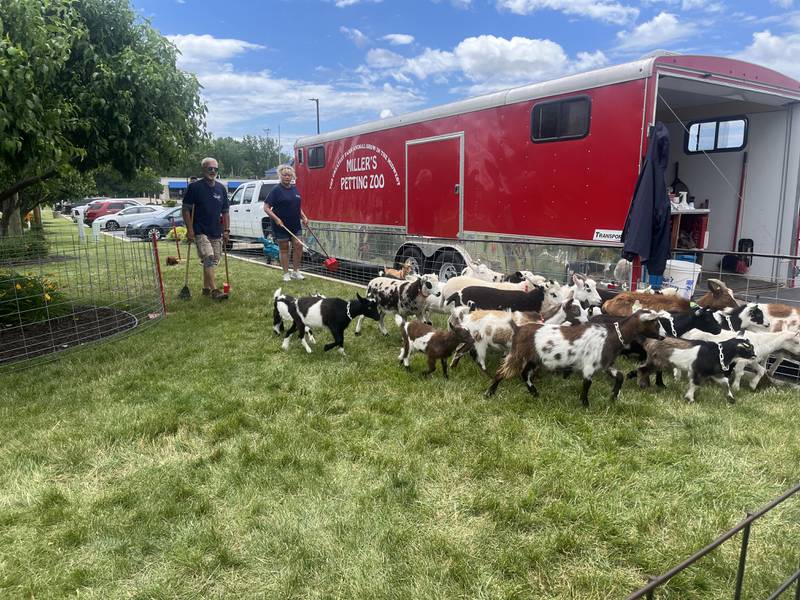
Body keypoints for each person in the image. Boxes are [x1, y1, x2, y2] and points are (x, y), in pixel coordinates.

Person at [182, 157, 230, 300]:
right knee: (207, 257)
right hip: (200, 229)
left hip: (216, 230)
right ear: (203, 170)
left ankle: (206, 288)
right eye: (210, 168)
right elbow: (185, 210)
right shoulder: (195, 187)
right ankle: (215, 291)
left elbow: (226, 211)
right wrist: (190, 230)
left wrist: (226, 230)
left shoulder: (221, 188)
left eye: (215, 169)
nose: (213, 171)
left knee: (213, 260)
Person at [263, 164, 309, 282]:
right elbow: (266, 207)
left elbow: (296, 206)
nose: (287, 177)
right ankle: (285, 273)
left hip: (295, 224)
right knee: (284, 249)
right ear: (280, 176)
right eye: (284, 175)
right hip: (281, 225)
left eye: (289, 175)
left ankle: (296, 272)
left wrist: (303, 216)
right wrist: (276, 219)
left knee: (298, 246)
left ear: (292, 176)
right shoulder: (276, 190)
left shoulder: (294, 189)